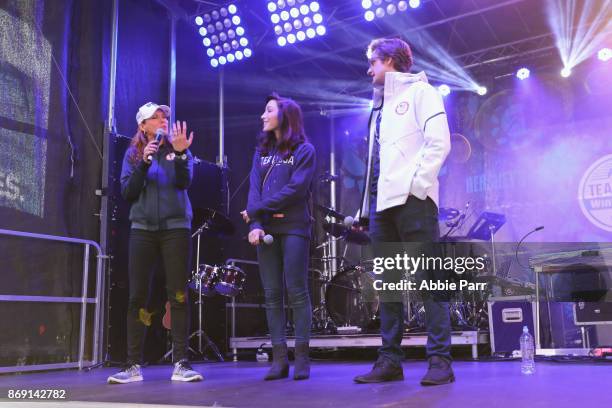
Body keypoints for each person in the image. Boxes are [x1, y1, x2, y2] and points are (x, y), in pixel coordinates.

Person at [352, 38, 454, 385]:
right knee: (389, 287)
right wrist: (368, 207)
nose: (370, 71)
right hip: (382, 207)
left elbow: (440, 141)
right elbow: (376, 164)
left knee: (430, 282)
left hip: (414, 202)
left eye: (374, 63)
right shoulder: (377, 107)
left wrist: (417, 186)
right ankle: (389, 362)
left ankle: (440, 360)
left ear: (391, 61)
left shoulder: (422, 92)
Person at [107, 102, 202, 384]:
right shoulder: (133, 154)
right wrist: (144, 162)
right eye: (155, 117)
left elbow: (185, 183)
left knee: (178, 295)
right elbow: (128, 192)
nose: (162, 120)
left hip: (175, 228)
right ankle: (133, 365)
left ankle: (181, 363)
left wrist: (183, 153)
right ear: (142, 125)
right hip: (142, 230)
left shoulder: (178, 149)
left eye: (165, 116)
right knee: (137, 296)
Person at [241, 93, 317, 380]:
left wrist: (255, 210)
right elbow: (254, 190)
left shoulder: (304, 150)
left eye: (268, 111)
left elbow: (296, 190)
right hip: (266, 230)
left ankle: (302, 358)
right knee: (272, 295)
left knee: (297, 291)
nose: (263, 116)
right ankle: (279, 359)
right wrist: (254, 225)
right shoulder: (260, 153)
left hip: (296, 227)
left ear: (284, 116)